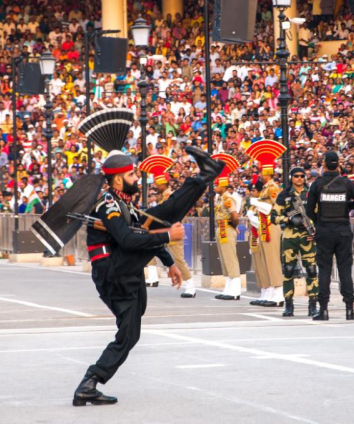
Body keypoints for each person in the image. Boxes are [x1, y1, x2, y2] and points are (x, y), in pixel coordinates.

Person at [72, 110, 224, 406]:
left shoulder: (124, 203)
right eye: (131, 174)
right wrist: (168, 236)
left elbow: (144, 232)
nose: (136, 177)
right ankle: (90, 381)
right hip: (112, 271)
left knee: (163, 213)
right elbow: (128, 240)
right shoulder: (108, 205)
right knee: (129, 334)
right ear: (118, 181)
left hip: (124, 271)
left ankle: (205, 175)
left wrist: (169, 261)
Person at [306, 152, 354, 321]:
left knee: (324, 270)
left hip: (324, 230)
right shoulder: (347, 183)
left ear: (324, 164)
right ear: (338, 164)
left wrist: (319, 221)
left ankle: (324, 310)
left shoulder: (317, 184)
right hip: (343, 231)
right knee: (345, 270)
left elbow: (309, 210)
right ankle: (349, 310)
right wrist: (346, 207)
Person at [139, 155, 196, 298]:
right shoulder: (164, 196)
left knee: (178, 258)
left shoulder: (169, 196)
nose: (155, 186)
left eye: (157, 184)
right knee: (150, 248)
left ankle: (191, 285)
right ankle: (153, 277)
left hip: (173, 230)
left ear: (162, 183)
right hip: (164, 230)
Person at [271, 167, 319, 317]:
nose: (299, 178)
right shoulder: (284, 195)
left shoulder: (311, 193)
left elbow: (319, 214)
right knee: (288, 270)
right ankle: (288, 305)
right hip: (290, 236)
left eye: (302, 176)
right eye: (296, 176)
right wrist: (289, 219)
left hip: (307, 236)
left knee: (311, 270)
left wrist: (316, 230)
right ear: (291, 177)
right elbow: (274, 217)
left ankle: (313, 305)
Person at [246, 140, 285, 307]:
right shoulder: (265, 189)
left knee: (272, 260)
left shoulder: (273, 188)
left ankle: (278, 294)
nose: (260, 174)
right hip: (262, 225)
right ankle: (268, 292)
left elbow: (275, 207)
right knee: (263, 261)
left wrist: (256, 203)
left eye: (262, 171)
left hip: (271, 225)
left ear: (267, 171)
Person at [211, 153, 242, 301]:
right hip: (221, 228)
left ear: (222, 185)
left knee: (230, 259)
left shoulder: (228, 198)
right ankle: (229, 287)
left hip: (227, 228)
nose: (214, 187)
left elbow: (234, 215)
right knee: (224, 260)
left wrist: (233, 226)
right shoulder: (220, 198)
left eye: (216, 185)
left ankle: (235, 290)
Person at [245, 176, 272, 306]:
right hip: (255, 235)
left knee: (264, 265)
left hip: (263, 233)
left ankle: (269, 292)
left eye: (254, 190)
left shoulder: (262, 204)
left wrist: (252, 219)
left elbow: (265, 221)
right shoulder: (253, 206)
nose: (251, 192)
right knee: (257, 266)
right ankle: (263, 291)